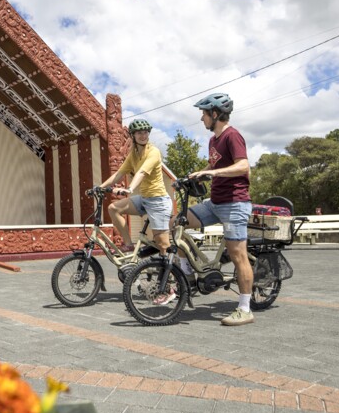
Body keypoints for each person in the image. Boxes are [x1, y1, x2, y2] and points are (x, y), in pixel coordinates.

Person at [185, 92, 255, 326]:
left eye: (204, 114)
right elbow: (215, 163)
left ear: (215, 114)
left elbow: (243, 166)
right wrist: (200, 173)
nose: (202, 118)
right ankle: (188, 277)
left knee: (238, 256)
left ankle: (245, 309)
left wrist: (213, 172)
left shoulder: (232, 135)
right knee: (178, 223)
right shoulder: (213, 140)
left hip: (235, 203)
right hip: (215, 203)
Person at [97, 119, 174, 303]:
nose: (143, 135)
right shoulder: (133, 154)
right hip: (144, 199)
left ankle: (169, 287)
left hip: (158, 201)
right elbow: (119, 174)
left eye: (145, 132)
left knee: (163, 245)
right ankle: (128, 244)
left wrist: (130, 188)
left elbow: (141, 173)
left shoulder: (153, 151)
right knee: (113, 208)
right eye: (139, 133)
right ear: (133, 135)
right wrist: (99, 187)